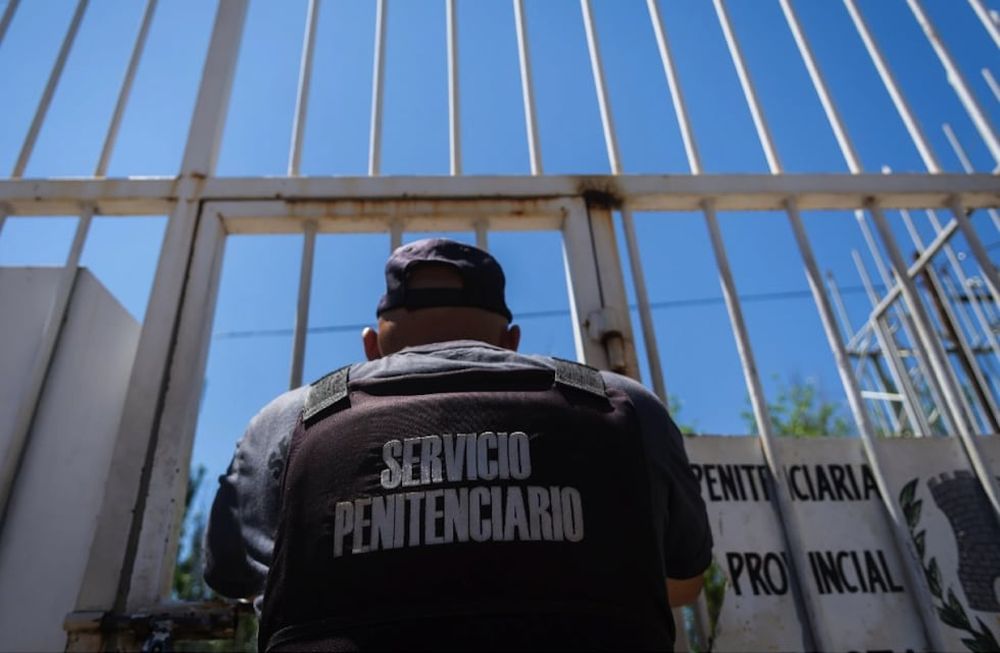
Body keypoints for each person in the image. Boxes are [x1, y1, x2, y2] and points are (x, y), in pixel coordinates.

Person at [204, 238, 712, 651]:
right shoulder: (624, 403)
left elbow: (232, 579)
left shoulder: (289, 420)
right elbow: (684, 582)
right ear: (510, 341)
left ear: (371, 348)